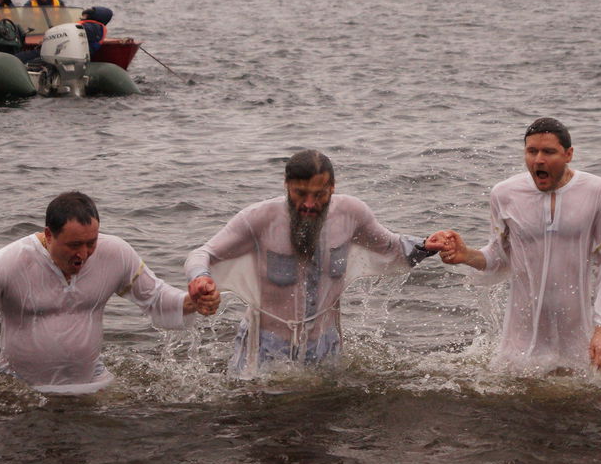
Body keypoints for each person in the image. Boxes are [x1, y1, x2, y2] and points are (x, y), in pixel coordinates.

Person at [0, 192, 220, 405]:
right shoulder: (11, 262)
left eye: (91, 243)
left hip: (92, 385)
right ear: (48, 234)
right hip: (22, 392)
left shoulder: (115, 253)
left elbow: (156, 298)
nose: (83, 254)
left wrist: (194, 301)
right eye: (73, 245)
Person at [185, 149, 448, 379]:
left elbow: (393, 249)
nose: (309, 204)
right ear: (287, 185)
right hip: (265, 348)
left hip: (326, 346)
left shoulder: (351, 214)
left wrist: (427, 246)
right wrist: (200, 278)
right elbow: (202, 254)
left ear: (332, 187)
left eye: (319, 195)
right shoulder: (260, 219)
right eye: (300, 193)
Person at [439, 118, 601, 374]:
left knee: (584, 399)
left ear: (569, 154)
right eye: (531, 151)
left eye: (548, 152)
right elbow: (499, 258)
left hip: (576, 328)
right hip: (521, 332)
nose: (538, 160)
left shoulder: (596, 190)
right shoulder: (505, 193)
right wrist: (466, 255)